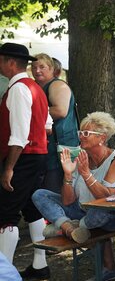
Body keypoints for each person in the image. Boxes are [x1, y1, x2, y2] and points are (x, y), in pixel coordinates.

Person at [33, 112, 115, 281]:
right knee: (39, 194)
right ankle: (70, 228)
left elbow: (106, 199)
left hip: (114, 214)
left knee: (98, 210)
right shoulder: (82, 157)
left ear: (102, 137)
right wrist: (68, 174)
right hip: (84, 210)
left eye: (86, 133)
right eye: (80, 133)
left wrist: (87, 175)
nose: (80, 136)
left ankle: (68, 227)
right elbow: (67, 201)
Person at [0, 43, 51, 280]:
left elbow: (19, 135)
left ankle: (4, 276)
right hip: (36, 155)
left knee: (6, 213)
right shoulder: (35, 88)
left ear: (10, 62)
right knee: (32, 209)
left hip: (24, 157)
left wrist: (9, 167)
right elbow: (48, 126)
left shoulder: (19, 89)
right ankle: (40, 266)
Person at [31, 53, 79, 194]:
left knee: (55, 191)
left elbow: (60, 111)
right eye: (34, 67)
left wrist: (29, 113)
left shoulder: (57, 85)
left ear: (52, 69)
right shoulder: (39, 87)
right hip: (49, 148)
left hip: (62, 149)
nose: (37, 70)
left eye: (42, 67)